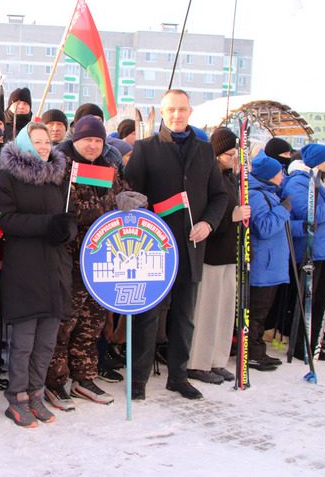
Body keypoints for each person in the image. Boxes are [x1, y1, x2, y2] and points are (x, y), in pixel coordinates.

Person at [123, 89, 227, 401]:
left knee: (184, 314)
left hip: (192, 246)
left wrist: (208, 223)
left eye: (182, 109)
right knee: (148, 315)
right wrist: (149, 226)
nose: (177, 115)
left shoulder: (205, 150)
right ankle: (138, 380)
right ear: (163, 112)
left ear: (190, 111)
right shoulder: (145, 148)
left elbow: (219, 195)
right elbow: (131, 195)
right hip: (153, 247)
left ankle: (178, 376)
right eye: (171, 110)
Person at [0, 122, 75, 427]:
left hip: (54, 267)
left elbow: (67, 216)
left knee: (46, 342)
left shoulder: (58, 175)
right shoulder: (10, 176)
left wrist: (65, 230)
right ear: (25, 144)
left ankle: (36, 393)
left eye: (47, 141)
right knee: (24, 341)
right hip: (26, 268)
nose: (43, 146)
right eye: (37, 141)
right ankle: (18, 398)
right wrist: (47, 226)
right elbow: (7, 220)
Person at [44, 116, 119, 410]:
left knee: (92, 323)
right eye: (88, 139)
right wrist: (110, 206)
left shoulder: (110, 169)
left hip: (101, 260)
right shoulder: (63, 167)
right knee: (65, 323)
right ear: (76, 139)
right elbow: (71, 210)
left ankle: (84, 376)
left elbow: (122, 197)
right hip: (70, 259)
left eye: (98, 140)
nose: (93, 145)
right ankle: (54, 381)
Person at [186, 128, 250, 384]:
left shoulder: (231, 178)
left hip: (229, 254)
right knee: (207, 311)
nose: (233, 159)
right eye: (229, 155)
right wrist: (230, 217)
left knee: (224, 311)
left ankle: (217, 358)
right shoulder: (209, 177)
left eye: (235, 155)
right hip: (211, 253)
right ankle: (198, 362)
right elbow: (206, 213)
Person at [283, 143, 325, 361]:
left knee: (321, 299)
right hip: (313, 248)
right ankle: (303, 345)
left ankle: (314, 343)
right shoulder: (299, 182)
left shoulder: (322, 180)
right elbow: (308, 214)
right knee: (308, 300)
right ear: (317, 160)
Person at [247, 152, 292, 371]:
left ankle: (257, 350)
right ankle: (253, 353)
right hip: (263, 266)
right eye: (278, 172)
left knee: (262, 312)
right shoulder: (257, 196)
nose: (282, 176)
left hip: (270, 264)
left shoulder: (267, 193)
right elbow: (263, 228)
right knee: (256, 313)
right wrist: (283, 211)